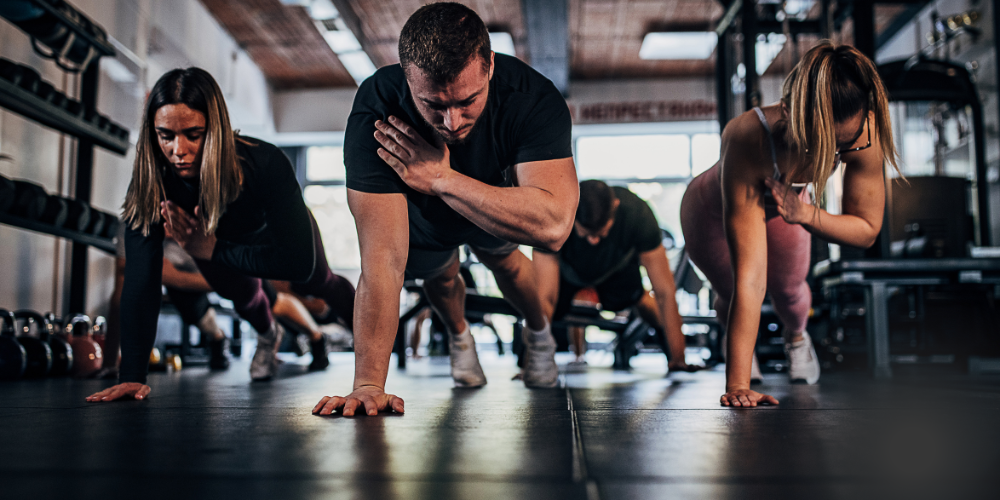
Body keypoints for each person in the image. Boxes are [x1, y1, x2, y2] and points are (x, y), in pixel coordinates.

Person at [312, 3, 578, 417]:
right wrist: (368, 384)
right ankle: (459, 338)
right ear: (407, 76)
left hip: (492, 201)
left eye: (468, 101)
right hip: (423, 214)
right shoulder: (378, 108)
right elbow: (382, 262)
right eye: (433, 104)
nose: (452, 122)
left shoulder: (530, 98)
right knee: (441, 275)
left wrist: (441, 177)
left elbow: (554, 226)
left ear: (490, 66)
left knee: (507, 263)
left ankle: (540, 337)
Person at [86, 67, 355, 403]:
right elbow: (141, 278)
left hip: (273, 236)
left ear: (216, 129)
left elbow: (297, 264)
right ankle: (268, 334)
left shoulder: (264, 161)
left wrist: (213, 250)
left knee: (319, 280)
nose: (178, 150)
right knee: (239, 292)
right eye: (166, 135)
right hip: (211, 243)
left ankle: (379, 354)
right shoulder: (152, 181)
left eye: (193, 135)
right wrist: (132, 375)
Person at [680, 41, 900, 407]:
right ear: (789, 112)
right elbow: (751, 279)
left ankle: (796, 338)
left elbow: (865, 230)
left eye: (841, 145)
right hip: (709, 212)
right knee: (733, 289)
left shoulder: (864, 130)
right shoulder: (747, 135)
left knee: (791, 292)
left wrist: (805, 214)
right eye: (822, 144)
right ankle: (741, 353)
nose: (833, 155)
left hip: (784, 204)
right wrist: (738, 386)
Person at [534, 180, 702, 374]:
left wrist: (680, 360)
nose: (593, 241)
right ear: (570, 213)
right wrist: (534, 363)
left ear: (615, 207)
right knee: (535, 305)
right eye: (586, 234)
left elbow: (664, 292)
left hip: (617, 271)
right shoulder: (553, 216)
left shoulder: (637, 214)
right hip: (567, 273)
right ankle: (530, 359)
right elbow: (544, 297)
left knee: (645, 302)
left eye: (600, 233)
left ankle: (673, 355)